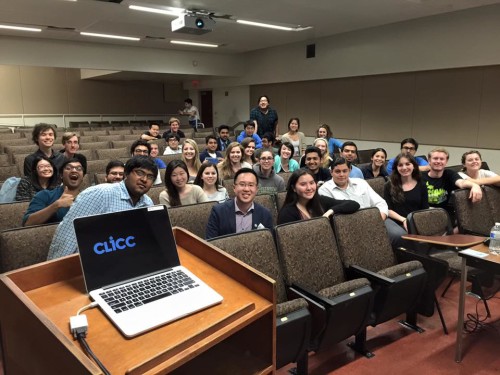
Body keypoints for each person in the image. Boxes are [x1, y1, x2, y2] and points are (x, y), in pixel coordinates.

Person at [47, 156, 158, 260]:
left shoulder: (147, 203)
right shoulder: (99, 193)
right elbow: (68, 235)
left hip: (128, 261)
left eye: (150, 177)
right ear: (127, 174)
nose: (144, 179)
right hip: (92, 263)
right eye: (139, 173)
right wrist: (56, 272)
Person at [318, 157, 406, 249]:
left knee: (400, 235)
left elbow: (380, 203)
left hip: (376, 219)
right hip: (350, 227)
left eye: (345, 171)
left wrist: (378, 219)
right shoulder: (324, 190)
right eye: (337, 171)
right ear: (331, 172)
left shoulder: (361, 183)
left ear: (350, 170)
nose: (341, 174)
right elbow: (334, 218)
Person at [206, 168, 273, 239]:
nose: (246, 189)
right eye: (242, 184)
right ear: (234, 188)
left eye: (251, 185)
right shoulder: (218, 212)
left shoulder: (265, 214)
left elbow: (269, 244)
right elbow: (210, 244)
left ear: (256, 189)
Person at [22, 155, 87, 227]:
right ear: (61, 175)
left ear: (83, 177)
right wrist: (56, 205)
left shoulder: (89, 197)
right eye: (68, 168)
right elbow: (27, 223)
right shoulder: (44, 195)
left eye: (79, 169)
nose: (74, 170)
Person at [278, 169, 360, 225]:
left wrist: (331, 211)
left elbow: (354, 204)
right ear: (294, 188)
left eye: (311, 183)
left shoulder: (321, 200)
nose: (309, 188)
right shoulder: (287, 213)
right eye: (303, 184)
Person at [422, 147, 482, 222]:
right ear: (429, 160)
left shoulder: (449, 174)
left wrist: (475, 185)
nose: (438, 161)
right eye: (435, 158)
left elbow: (461, 182)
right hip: (423, 214)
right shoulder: (420, 177)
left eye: (442, 159)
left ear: (446, 161)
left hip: (443, 216)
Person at [383, 154, 429, 232]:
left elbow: (425, 209)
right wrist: (404, 220)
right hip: (397, 223)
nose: (404, 168)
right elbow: (388, 210)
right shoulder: (389, 185)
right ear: (396, 168)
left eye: (407, 164)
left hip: (417, 221)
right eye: (400, 165)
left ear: (414, 166)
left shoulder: (421, 184)